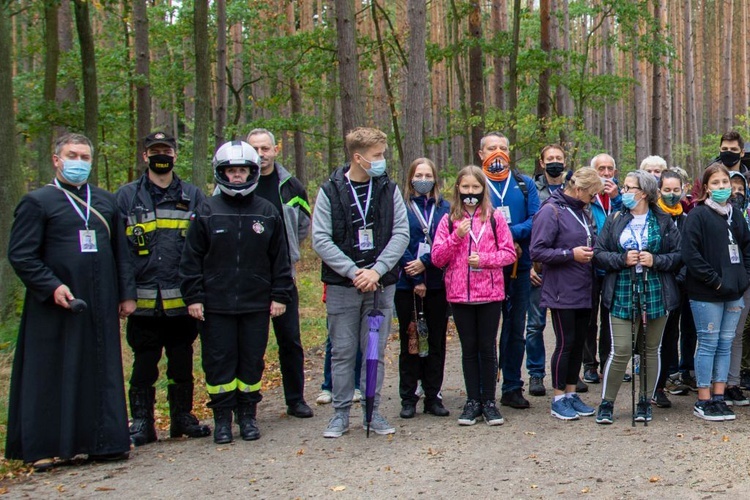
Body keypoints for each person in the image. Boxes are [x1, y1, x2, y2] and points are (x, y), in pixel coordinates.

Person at [6, 133, 137, 470]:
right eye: (71, 155)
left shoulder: (107, 202)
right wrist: (51, 286)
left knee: (100, 368)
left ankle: (104, 441)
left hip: (101, 301)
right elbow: (21, 255)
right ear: (56, 159)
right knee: (51, 372)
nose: (78, 162)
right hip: (55, 305)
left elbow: (123, 254)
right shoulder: (37, 202)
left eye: (84, 156)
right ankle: (44, 447)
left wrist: (126, 295)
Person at [180, 140, 293, 443]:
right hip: (216, 305)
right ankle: (222, 419)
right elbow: (191, 259)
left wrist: (280, 295)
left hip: (256, 303)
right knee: (219, 361)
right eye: (231, 171)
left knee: (251, 360)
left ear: (252, 172)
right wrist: (194, 297)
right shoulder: (206, 210)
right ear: (221, 173)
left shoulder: (267, 211)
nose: (237, 177)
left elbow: (279, 259)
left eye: (243, 170)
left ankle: (248, 417)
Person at [311, 127, 409, 438]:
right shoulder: (330, 191)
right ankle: (340, 414)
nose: (382, 161)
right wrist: (354, 271)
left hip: (381, 286)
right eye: (377, 156)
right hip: (344, 286)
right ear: (358, 157)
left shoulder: (389, 189)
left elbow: (400, 234)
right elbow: (321, 239)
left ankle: (373, 411)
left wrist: (377, 270)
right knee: (342, 350)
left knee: (374, 351)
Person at [115, 131, 210, 447]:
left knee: (182, 360)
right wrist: (124, 294)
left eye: (166, 150)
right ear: (145, 156)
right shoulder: (126, 197)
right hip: (142, 301)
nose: (161, 156)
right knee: (143, 363)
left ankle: (182, 417)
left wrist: (199, 293)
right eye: (155, 151)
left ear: (175, 155)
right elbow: (120, 251)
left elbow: (203, 247)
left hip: (182, 300)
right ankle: (142, 422)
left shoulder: (193, 196)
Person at [592, 170, 681, 424]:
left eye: (629, 188)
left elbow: (678, 255)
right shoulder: (616, 218)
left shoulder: (663, 220)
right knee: (620, 350)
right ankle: (606, 402)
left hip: (655, 290)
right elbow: (599, 253)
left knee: (650, 350)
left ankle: (645, 400)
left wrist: (656, 260)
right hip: (622, 289)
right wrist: (622, 259)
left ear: (643, 192)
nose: (623, 192)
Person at [432, 166, 516, 426]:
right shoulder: (448, 219)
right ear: (458, 188)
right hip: (460, 295)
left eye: (476, 188)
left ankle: (489, 401)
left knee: (487, 348)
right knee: (469, 349)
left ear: (483, 190)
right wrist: (455, 237)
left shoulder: (495, 218)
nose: (470, 193)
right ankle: (472, 401)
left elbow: (509, 254)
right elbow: (437, 258)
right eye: (466, 188)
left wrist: (485, 260)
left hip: (490, 293)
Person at [246, 128, 314, 419]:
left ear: (276, 150)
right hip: (247, 278)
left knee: (290, 339)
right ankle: (248, 402)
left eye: (265, 149)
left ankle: (295, 399)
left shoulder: (290, 186)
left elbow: (303, 225)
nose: (260, 155)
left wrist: (288, 254)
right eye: (255, 150)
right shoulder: (233, 181)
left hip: (284, 275)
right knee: (251, 343)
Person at [529, 167, 603, 421]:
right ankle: (558, 397)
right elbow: (537, 251)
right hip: (561, 289)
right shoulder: (551, 211)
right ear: (580, 189)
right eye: (592, 195)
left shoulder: (580, 210)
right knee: (565, 343)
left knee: (578, 343)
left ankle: (572, 392)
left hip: (584, 288)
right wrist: (570, 254)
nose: (593, 200)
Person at [683, 163, 750, 421]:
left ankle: (719, 396)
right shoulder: (697, 216)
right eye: (716, 183)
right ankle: (703, 399)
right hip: (706, 293)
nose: (721, 187)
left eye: (724, 182)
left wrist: (744, 278)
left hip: (735, 292)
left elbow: (745, 247)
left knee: (725, 344)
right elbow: (691, 254)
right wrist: (715, 281)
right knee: (708, 343)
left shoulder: (736, 216)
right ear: (706, 187)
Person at [477, 132, 540, 410]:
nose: (498, 153)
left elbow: (536, 219)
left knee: (516, 329)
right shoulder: (474, 184)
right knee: (486, 329)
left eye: (503, 148)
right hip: (486, 269)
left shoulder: (524, 184)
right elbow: (470, 222)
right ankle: (483, 387)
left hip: (519, 266)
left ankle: (512, 386)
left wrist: (511, 235)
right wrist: (504, 240)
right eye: (492, 148)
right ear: (481, 154)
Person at [395, 158, 451, 418]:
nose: (423, 179)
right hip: (406, 283)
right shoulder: (401, 207)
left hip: (438, 282)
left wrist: (425, 263)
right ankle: (409, 396)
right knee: (411, 340)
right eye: (419, 174)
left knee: (436, 340)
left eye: (428, 174)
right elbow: (396, 240)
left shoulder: (445, 208)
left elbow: (448, 242)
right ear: (410, 178)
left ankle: (433, 395)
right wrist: (414, 273)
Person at [525, 145, 569, 397]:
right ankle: (535, 374)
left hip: (565, 267)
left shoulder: (572, 187)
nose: (554, 162)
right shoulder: (532, 189)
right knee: (535, 324)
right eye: (550, 159)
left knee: (566, 324)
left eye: (558, 158)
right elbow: (532, 229)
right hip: (539, 266)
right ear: (541, 163)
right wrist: (531, 264)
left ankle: (565, 375)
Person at [582, 153, 623, 386]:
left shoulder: (621, 194)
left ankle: (610, 362)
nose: (606, 173)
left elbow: (627, 217)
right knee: (588, 318)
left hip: (613, 265)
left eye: (609, 169)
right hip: (589, 265)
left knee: (612, 317)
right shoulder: (586, 195)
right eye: (601, 168)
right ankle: (589, 365)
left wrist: (617, 198)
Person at [651, 170, 689, 408]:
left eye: (676, 190)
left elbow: (690, 252)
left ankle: (663, 385)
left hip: (679, 286)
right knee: (654, 339)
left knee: (671, 337)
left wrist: (681, 277)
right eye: (667, 190)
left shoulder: (686, 219)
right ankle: (652, 387)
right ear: (659, 191)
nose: (672, 195)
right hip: (656, 285)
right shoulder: (653, 218)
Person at [724, 171, 750, 406]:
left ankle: (733, 383)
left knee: (737, 334)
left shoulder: (747, 214)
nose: (735, 192)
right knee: (719, 336)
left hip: (745, 282)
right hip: (721, 283)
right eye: (731, 186)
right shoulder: (714, 214)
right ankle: (716, 384)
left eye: (740, 187)